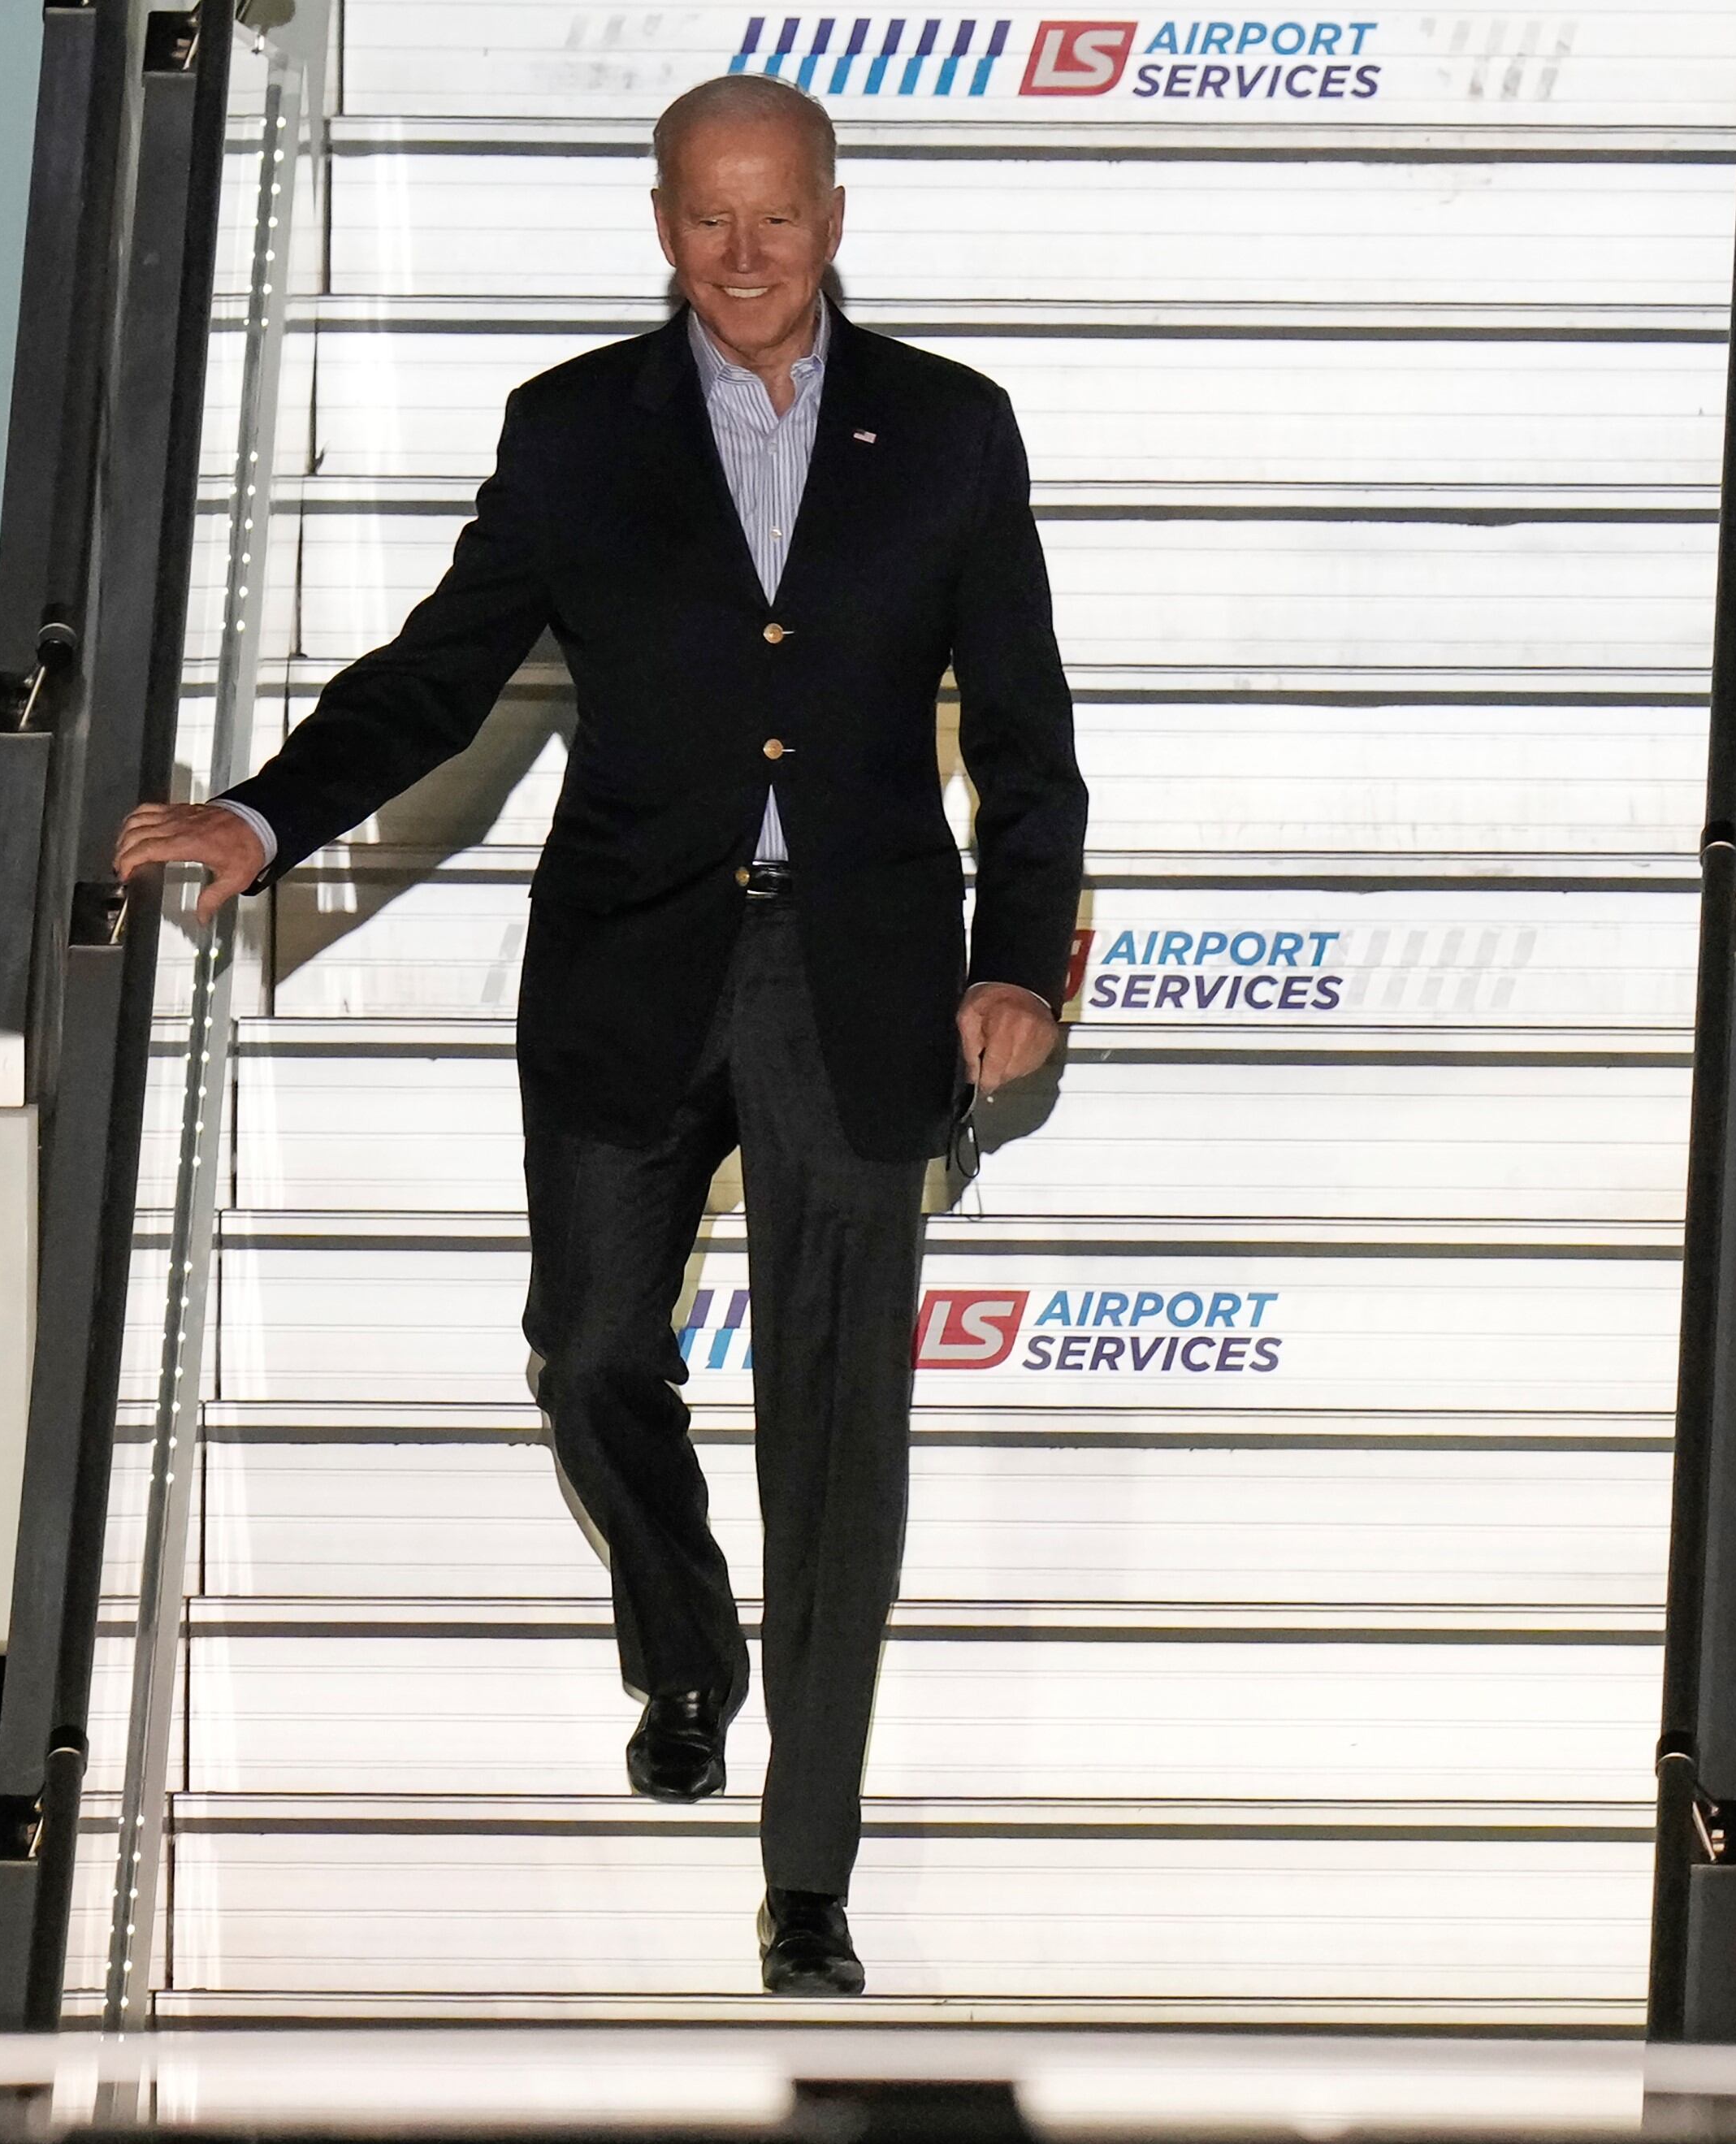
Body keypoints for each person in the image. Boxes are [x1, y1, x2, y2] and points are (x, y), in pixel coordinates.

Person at [111, 72, 1086, 1996]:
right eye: (704, 220)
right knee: (585, 1354)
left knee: (838, 1449)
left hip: (861, 986)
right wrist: (255, 816)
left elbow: (1032, 740)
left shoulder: (952, 432)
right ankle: (684, 1634)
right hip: (631, 973)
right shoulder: (571, 433)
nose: (741, 258)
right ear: (660, 221)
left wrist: (1016, 968)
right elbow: (435, 674)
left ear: (833, 211)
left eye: (775, 218)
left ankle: (804, 1878)